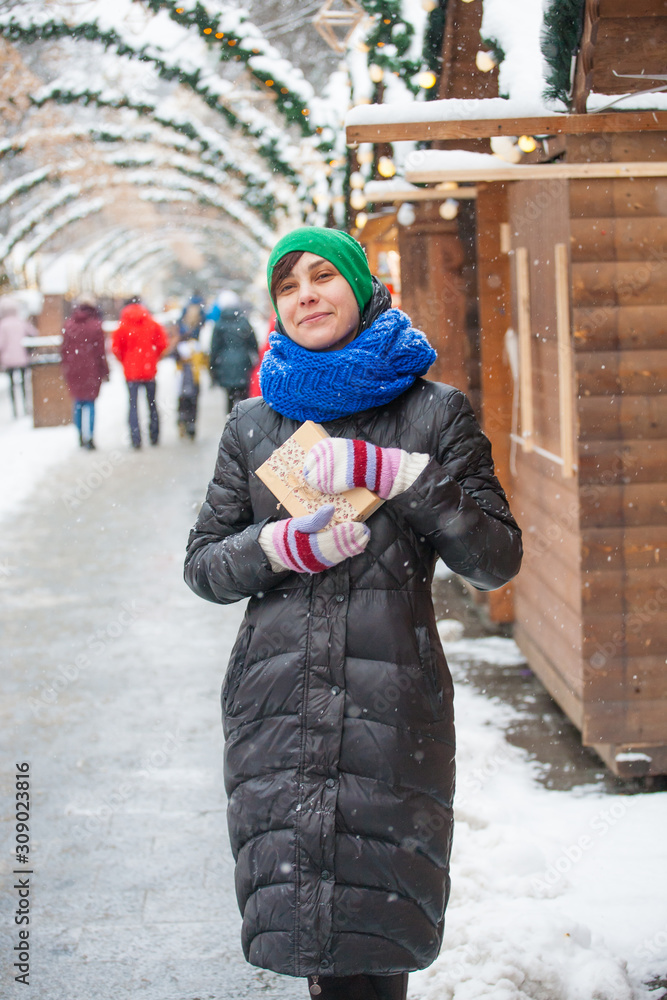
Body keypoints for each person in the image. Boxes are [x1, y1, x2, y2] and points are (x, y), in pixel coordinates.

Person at [184, 228, 522, 1000]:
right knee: (310, 933)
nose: (305, 295)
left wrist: (400, 474)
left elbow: (494, 559)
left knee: (377, 930)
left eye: (322, 276)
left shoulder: (434, 413)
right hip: (277, 709)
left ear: (362, 286)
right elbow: (203, 566)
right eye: (287, 286)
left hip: (390, 709)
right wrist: (274, 547)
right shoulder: (253, 423)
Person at [111, 298, 169, 449]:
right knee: (152, 403)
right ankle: (154, 435)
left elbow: (116, 348)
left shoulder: (123, 325)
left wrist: (126, 361)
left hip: (131, 372)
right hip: (149, 371)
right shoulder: (152, 323)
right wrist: (153, 358)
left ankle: (135, 438)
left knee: (133, 405)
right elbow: (162, 344)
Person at [61, 296, 109, 449]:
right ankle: (91, 437)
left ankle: (80, 435)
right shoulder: (95, 326)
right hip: (91, 370)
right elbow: (100, 352)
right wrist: (105, 370)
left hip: (74, 370)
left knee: (78, 403)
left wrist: (66, 367)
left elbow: (63, 350)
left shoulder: (69, 325)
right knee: (90, 403)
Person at [208, 291, 258, 413]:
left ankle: (231, 418)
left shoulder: (219, 324)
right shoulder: (243, 322)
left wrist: (213, 368)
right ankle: (245, 420)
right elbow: (253, 343)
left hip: (226, 363)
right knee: (245, 399)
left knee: (229, 396)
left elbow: (214, 348)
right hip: (243, 362)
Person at [0, 296, 33, 418]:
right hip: (22, 358)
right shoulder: (21, 322)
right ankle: (25, 405)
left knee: (12, 384)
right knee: (24, 383)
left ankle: (15, 409)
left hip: (8, 359)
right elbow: (33, 333)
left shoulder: (3, 324)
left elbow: (1, 343)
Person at [174, 332, 208, 440]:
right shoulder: (197, 348)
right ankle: (191, 424)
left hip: (182, 382)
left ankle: (183, 420)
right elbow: (205, 362)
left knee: (183, 404)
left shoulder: (179, 348)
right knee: (193, 404)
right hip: (194, 380)